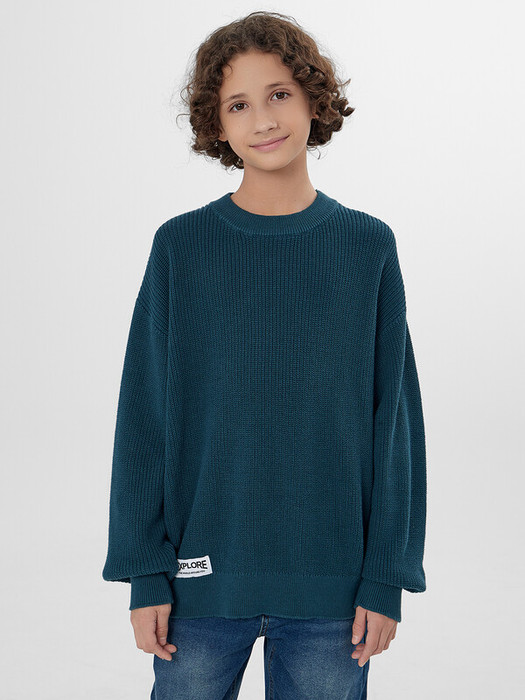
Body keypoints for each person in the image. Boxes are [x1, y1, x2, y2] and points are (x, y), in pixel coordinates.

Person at [102, 10, 427, 699]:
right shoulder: (180, 248)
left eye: (279, 93)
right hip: (197, 583)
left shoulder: (366, 246)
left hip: (334, 590)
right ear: (216, 125)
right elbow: (143, 417)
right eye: (238, 104)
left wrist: (385, 575)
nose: (263, 119)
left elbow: (393, 426)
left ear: (313, 98)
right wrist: (144, 570)